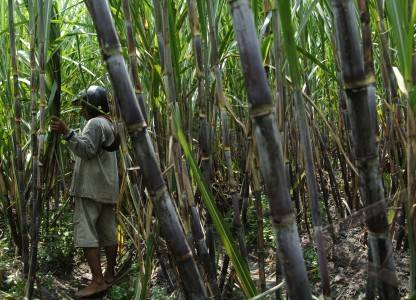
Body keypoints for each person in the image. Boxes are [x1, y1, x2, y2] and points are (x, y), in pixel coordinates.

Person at [51, 86, 119, 298]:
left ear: (91, 104)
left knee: (87, 232)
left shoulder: (94, 123)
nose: (81, 110)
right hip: (107, 188)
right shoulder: (109, 124)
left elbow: (87, 150)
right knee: (108, 232)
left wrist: (67, 132)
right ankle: (109, 274)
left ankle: (97, 281)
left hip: (90, 189)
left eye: (83, 104)